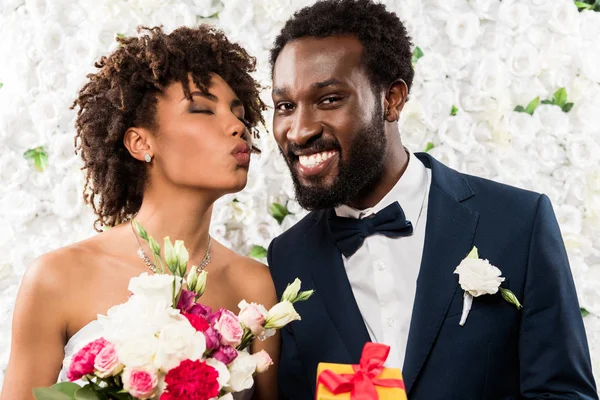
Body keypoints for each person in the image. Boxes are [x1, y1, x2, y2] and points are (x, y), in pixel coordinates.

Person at [266, 0, 598, 399]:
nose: (299, 131)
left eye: (330, 99)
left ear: (392, 100)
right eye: (285, 106)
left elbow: (563, 394)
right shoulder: (288, 256)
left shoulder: (518, 223)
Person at [1, 26, 278, 400]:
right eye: (201, 109)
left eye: (239, 113)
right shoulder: (55, 278)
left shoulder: (255, 286)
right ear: (140, 142)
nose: (237, 127)